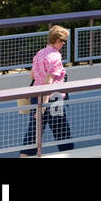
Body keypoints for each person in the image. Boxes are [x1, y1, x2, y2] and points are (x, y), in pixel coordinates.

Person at [20, 25, 73, 156]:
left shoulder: (40, 53)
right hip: (52, 99)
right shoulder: (55, 57)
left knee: (35, 130)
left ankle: (24, 155)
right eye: (64, 41)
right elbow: (49, 83)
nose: (63, 44)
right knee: (62, 131)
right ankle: (71, 154)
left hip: (36, 95)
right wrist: (43, 107)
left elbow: (32, 75)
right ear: (58, 40)